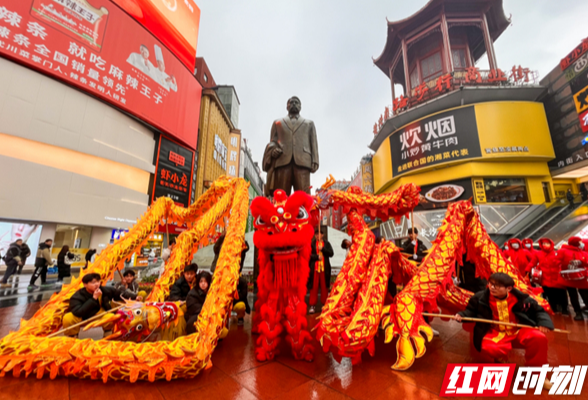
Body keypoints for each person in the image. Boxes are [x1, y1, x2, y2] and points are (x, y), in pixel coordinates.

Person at [455, 273, 554, 391]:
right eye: (491, 284)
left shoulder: (522, 299)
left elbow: (539, 311)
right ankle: (501, 358)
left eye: (497, 286)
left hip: (518, 330)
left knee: (539, 338)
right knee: (488, 346)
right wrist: (462, 315)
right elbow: (470, 311)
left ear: (509, 288)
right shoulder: (479, 297)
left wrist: (544, 323)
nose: (492, 287)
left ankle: (538, 374)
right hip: (495, 332)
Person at [264, 96, 319, 195]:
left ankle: (304, 211)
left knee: (303, 197)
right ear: (287, 106)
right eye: (291, 102)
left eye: (296, 102)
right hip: (282, 161)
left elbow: (313, 143)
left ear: (300, 107)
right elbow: (272, 141)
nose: (294, 104)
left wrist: (315, 159)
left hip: (303, 161)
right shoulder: (277, 123)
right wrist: (273, 150)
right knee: (282, 196)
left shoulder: (309, 124)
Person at [61, 273, 137, 337]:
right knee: (68, 318)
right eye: (93, 282)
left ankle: (107, 334)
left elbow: (120, 293)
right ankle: (72, 337)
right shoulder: (77, 296)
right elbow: (78, 312)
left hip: (100, 314)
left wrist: (135, 297)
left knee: (110, 317)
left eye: (98, 281)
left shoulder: (105, 290)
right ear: (85, 284)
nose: (97, 284)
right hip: (83, 317)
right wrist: (94, 298)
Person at [527, 238, 568, 315]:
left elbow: (564, 263)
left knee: (562, 294)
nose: (545, 245)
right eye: (543, 243)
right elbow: (532, 263)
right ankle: (554, 308)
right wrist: (527, 271)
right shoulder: (538, 254)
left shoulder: (557, 253)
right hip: (545, 278)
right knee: (550, 295)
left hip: (557, 277)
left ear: (551, 244)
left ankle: (565, 309)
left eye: (547, 243)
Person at [555, 236, 588, 321]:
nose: (581, 244)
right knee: (574, 295)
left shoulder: (582, 252)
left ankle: (580, 312)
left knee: (584, 294)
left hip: (580, 276)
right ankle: (578, 312)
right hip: (569, 276)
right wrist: (566, 265)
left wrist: (582, 262)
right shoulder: (563, 251)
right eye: (579, 242)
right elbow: (556, 262)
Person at [308, 228, 334, 314]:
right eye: (316, 234)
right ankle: (312, 305)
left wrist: (322, 249)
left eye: (319, 234)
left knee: (324, 287)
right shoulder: (311, 244)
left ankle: (324, 304)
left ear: (322, 235)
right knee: (313, 288)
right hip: (314, 269)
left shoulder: (326, 244)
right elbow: (308, 255)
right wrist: (316, 257)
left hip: (324, 269)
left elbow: (331, 253)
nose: (317, 235)